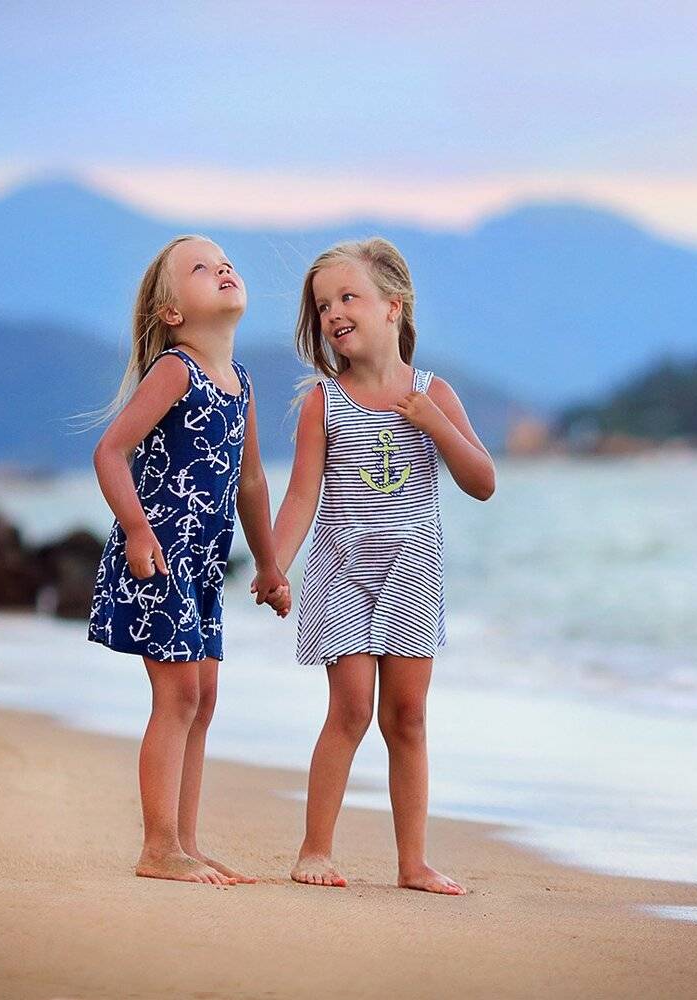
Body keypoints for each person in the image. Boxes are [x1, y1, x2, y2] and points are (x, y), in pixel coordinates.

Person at [272, 237, 495, 894]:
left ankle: (413, 862)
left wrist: (436, 424)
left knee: (407, 718)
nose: (334, 313)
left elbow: (482, 481)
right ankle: (315, 849)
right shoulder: (324, 402)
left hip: (412, 572)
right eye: (323, 306)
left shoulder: (433, 393)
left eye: (348, 297)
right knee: (350, 710)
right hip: (341, 568)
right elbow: (301, 495)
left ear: (393, 306)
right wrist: (275, 565)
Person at [88, 235, 290, 886]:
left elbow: (251, 482)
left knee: (202, 700)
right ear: (172, 313)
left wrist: (269, 565)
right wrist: (136, 530)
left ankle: (185, 842)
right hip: (159, 556)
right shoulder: (176, 370)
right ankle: (158, 848)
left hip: (203, 568)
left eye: (225, 261)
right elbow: (110, 452)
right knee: (177, 698)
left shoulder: (241, 383)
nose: (223, 268)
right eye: (201, 268)